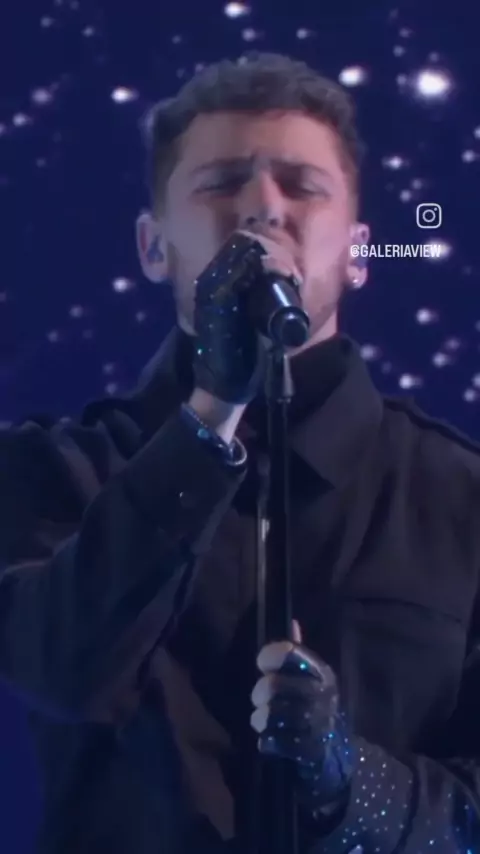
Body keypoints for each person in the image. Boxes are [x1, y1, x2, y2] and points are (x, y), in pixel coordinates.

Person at [1, 50, 480, 854]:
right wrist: (212, 409)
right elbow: (58, 669)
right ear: (153, 246)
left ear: (359, 251)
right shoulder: (50, 470)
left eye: (302, 185)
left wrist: (348, 781)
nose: (262, 207)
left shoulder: (460, 498)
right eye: (222, 183)